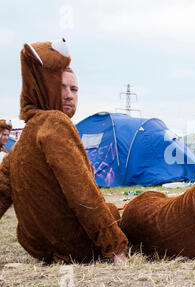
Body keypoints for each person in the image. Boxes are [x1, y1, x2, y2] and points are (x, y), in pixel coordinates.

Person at [0, 39, 128, 264]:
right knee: (115, 213)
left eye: (74, 89)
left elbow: (1, 192)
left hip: (38, 248)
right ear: (43, 85)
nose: (69, 95)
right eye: (61, 87)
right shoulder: (55, 123)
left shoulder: (25, 138)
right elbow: (82, 192)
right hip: (75, 246)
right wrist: (114, 246)